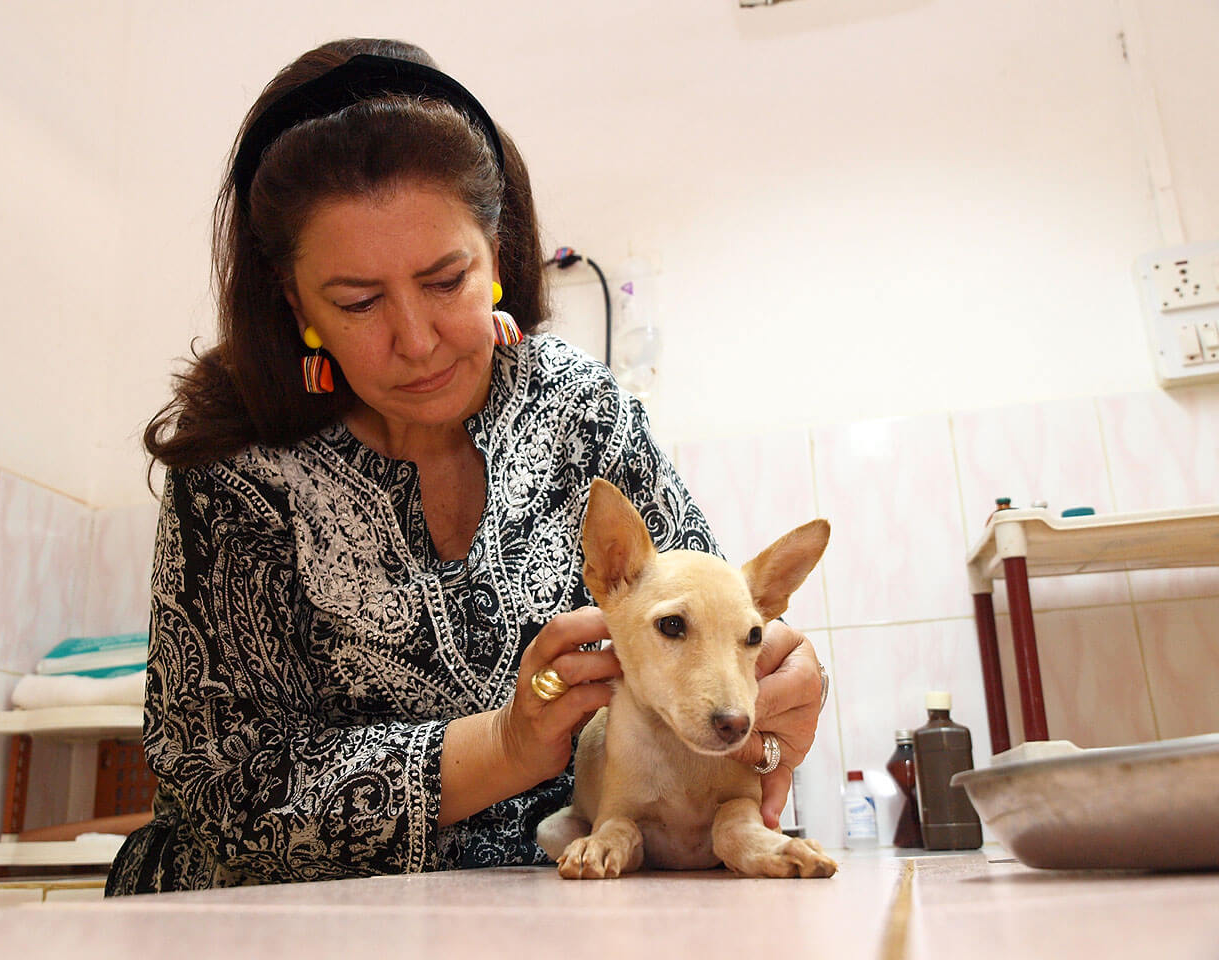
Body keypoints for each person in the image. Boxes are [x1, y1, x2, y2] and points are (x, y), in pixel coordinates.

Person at [105, 37, 828, 895]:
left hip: (553, 911)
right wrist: (508, 745)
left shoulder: (580, 414)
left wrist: (772, 701)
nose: (416, 341)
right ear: (295, 302)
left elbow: (713, 638)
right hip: (262, 924)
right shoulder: (238, 470)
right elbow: (226, 793)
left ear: (497, 251)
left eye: (447, 281)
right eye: (359, 301)